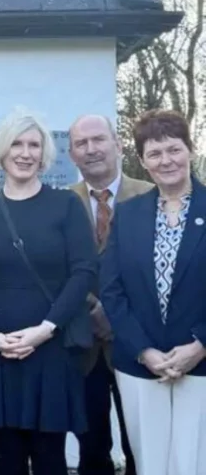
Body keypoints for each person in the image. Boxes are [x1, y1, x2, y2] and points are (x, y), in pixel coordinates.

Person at [0, 108, 96, 475]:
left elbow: (83, 272)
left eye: (34, 144)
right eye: (17, 143)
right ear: (1, 151)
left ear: (45, 153)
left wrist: (45, 329)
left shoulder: (66, 205)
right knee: (8, 458)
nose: (26, 152)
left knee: (50, 457)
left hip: (50, 350)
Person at [100, 109, 206, 475]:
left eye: (174, 149)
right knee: (150, 467)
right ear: (143, 161)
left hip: (201, 362)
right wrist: (144, 350)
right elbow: (111, 290)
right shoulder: (128, 215)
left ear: (189, 150)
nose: (166, 160)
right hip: (141, 364)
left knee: (194, 465)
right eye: (155, 153)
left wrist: (200, 345)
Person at [66, 114, 151, 475]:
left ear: (117, 144)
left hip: (140, 344)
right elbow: (57, 268)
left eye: (98, 140)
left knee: (142, 448)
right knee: (92, 451)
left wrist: (115, 316)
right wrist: (93, 309)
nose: (91, 149)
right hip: (84, 348)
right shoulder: (61, 202)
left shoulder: (151, 195)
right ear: (71, 154)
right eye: (81, 144)